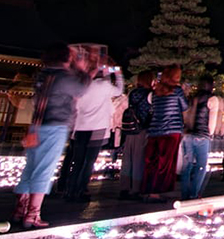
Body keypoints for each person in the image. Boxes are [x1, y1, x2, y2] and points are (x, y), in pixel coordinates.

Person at [12, 43, 88, 229]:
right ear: (66, 58)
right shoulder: (64, 77)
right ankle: (33, 214)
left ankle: (20, 210)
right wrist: (82, 70)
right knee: (44, 169)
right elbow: (81, 89)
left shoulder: (42, 74)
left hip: (36, 125)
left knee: (30, 167)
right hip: (55, 126)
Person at [62, 56, 124, 202]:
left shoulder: (80, 85)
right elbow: (118, 90)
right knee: (89, 161)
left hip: (80, 126)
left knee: (77, 160)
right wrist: (118, 74)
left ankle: (69, 190)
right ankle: (81, 190)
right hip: (97, 127)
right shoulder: (104, 86)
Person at [141, 65, 188, 202]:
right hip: (171, 131)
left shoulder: (156, 91)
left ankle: (149, 190)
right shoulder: (177, 91)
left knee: (152, 162)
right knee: (165, 163)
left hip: (154, 131)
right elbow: (185, 106)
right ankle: (156, 192)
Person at [180, 74, 220, 200]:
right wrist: (210, 133)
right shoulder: (212, 99)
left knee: (187, 166)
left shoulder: (192, 98)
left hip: (188, 135)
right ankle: (194, 194)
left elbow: (186, 116)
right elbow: (212, 120)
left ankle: (185, 194)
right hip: (202, 136)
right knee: (201, 166)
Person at [119, 71, 154, 200]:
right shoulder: (150, 94)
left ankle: (124, 187)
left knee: (128, 158)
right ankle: (136, 188)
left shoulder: (133, 93)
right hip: (142, 129)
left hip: (130, 129)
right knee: (139, 159)